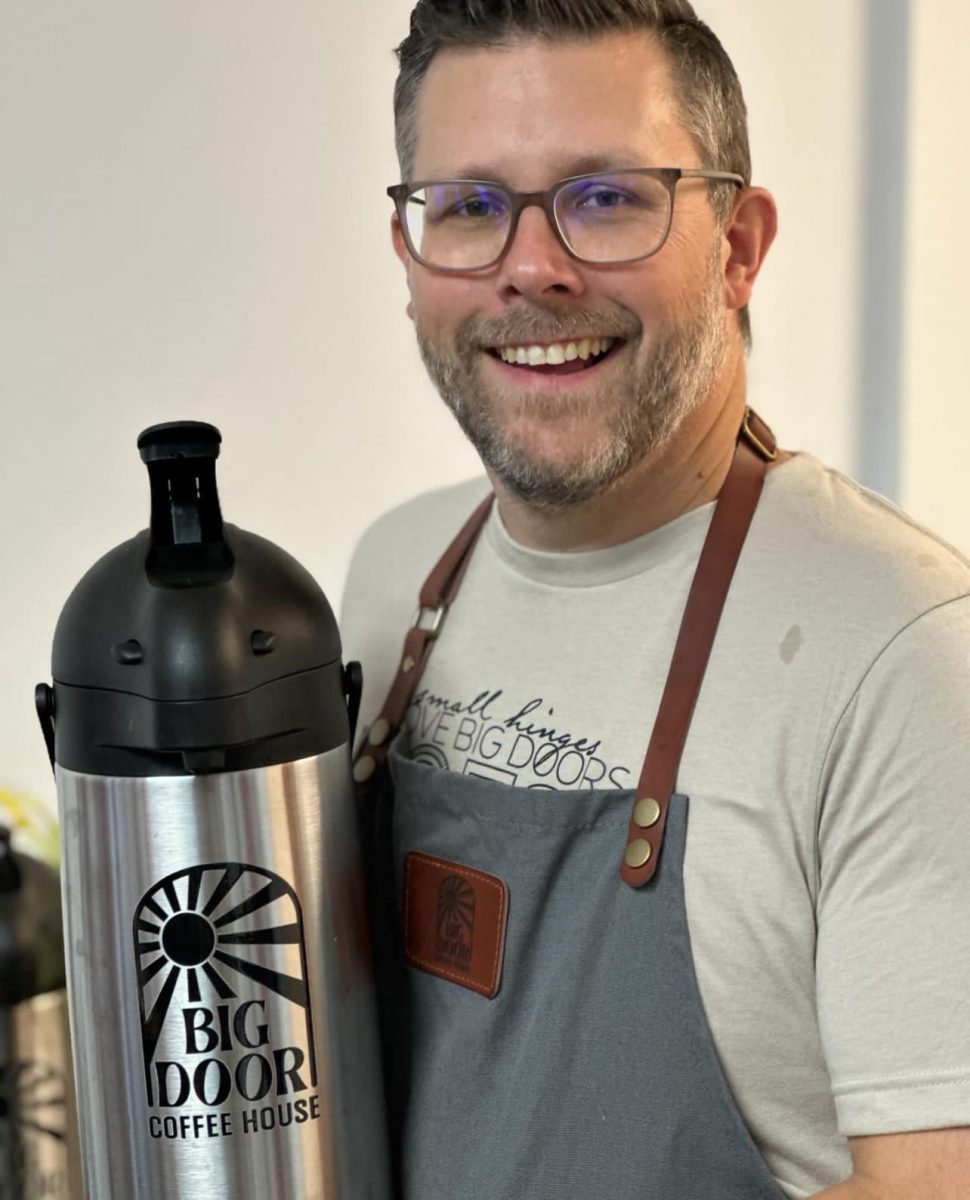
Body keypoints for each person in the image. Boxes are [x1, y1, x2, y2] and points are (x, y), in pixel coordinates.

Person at [340, 3, 970, 1197]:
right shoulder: (390, 577)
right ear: (412, 260)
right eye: (470, 207)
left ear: (737, 246)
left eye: (606, 196)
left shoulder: (905, 655)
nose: (532, 267)